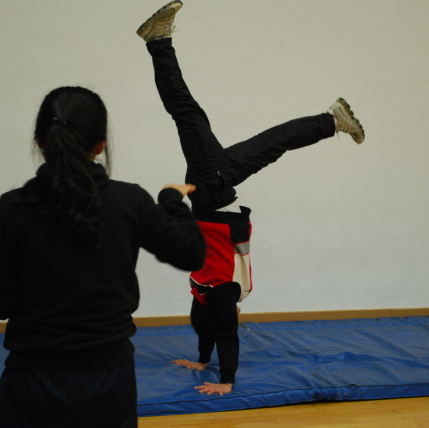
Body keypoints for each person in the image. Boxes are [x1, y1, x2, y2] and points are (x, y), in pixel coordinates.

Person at [136, 1, 365, 396]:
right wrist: (225, 381)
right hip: (215, 191)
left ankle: (158, 42)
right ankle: (331, 119)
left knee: (191, 115)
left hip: (211, 194)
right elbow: (226, 333)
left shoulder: (205, 293)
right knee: (267, 142)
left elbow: (209, 330)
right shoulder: (222, 294)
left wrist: (202, 361)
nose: (235, 315)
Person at [0, 86, 206, 428]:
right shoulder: (129, 201)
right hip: (107, 381)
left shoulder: (14, 207)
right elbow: (192, 253)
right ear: (100, 146)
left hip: (33, 381)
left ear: (40, 142)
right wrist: (172, 200)